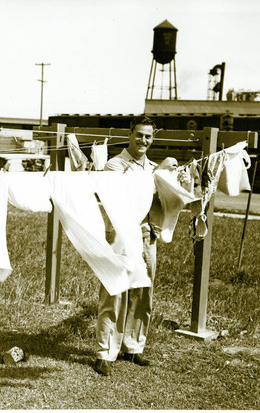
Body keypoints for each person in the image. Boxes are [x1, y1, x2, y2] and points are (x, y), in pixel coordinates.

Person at [94, 115, 161, 376]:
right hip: (120, 238)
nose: (143, 140)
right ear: (130, 135)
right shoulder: (115, 165)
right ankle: (104, 352)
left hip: (146, 237)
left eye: (148, 136)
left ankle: (133, 347)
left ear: (152, 139)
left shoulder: (152, 167)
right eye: (139, 134)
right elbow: (127, 194)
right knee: (114, 292)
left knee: (143, 293)